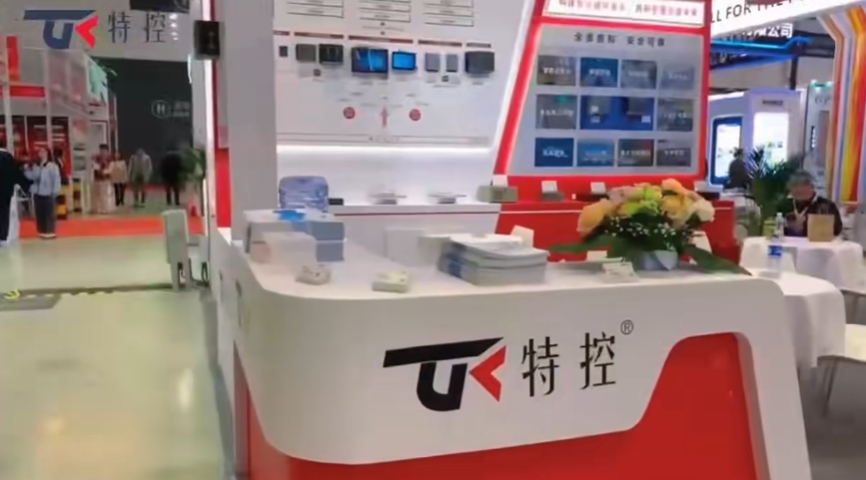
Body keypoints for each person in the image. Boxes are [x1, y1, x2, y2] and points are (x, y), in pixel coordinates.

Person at [776, 170, 842, 238]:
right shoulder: (784, 205)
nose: (798, 189)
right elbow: (775, 228)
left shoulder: (827, 206)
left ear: (812, 187)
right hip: (788, 242)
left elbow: (836, 230)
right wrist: (787, 226)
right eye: (794, 186)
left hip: (818, 243)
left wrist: (805, 225)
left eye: (803, 186)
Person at [26, 147, 62, 239]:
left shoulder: (53, 166)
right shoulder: (36, 166)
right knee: (39, 213)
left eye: (43, 152)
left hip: (49, 193)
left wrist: (55, 191)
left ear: (47, 153)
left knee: (49, 213)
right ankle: (41, 231)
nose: (41, 154)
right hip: (37, 193)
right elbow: (32, 177)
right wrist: (27, 170)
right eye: (40, 152)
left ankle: (50, 231)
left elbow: (56, 179)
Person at [0, 142, 31, 245]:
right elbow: (15, 173)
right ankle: (3, 237)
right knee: (5, 214)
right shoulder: (8, 157)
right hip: (6, 191)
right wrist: (26, 186)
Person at [93, 144, 115, 214]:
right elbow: (95, 167)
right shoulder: (97, 158)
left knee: (105, 195)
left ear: (107, 151)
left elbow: (110, 169)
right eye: (101, 150)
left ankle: (106, 209)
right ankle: (98, 209)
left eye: (104, 150)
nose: (102, 152)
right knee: (98, 194)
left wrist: (103, 172)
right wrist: (99, 170)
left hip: (106, 180)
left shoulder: (110, 159)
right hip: (97, 179)